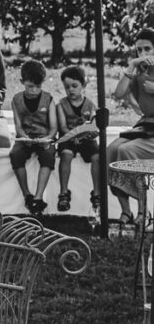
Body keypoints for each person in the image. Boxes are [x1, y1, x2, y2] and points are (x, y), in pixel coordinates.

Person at [107, 28, 154, 225]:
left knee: (127, 151)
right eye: (139, 50)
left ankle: (144, 212)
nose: (143, 53)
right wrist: (132, 64)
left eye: (147, 49)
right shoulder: (140, 73)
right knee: (111, 150)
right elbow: (118, 94)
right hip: (146, 127)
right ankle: (126, 211)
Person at [9, 59, 57, 215]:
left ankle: (38, 197)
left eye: (38, 86)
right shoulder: (16, 100)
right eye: (30, 86)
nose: (34, 90)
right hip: (25, 137)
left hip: (44, 136)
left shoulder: (48, 99)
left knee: (48, 155)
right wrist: (24, 137)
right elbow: (18, 126)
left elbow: (53, 127)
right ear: (22, 82)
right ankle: (27, 194)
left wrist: (48, 138)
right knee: (15, 154)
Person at [56, 65, 100, 216]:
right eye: (67, 87)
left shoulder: (90, 105)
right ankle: (63, 193)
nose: (71, 90)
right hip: (68, 137)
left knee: (97, 156)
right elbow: (63, 127)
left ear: (83, 85)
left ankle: (97, 194)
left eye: (74, 86)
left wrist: (86, 136)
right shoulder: (61, 105)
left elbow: (94, 126)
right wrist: (74, 137)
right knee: (66, 154)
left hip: (85, 138)